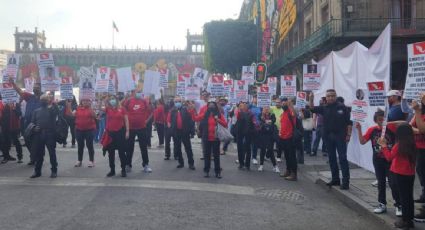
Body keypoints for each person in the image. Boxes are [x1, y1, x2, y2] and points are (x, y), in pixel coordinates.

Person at [355, 109, 400, 215]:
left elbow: (402, 124)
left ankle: (398, 205)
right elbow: (362, 142)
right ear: (375, 121)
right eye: (379, 120)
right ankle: (382, 204)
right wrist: (359, 129)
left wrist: (389, 123)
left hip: (390, 160)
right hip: (378, 159)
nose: (382, 122)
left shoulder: (391, 128)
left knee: (393, 183)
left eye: (383, 119)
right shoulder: (372, 130)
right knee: (381, 183)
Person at [309, 90, 352, 190]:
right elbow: (311, 108)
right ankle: (335, 179)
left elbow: (349, 122)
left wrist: (348, 134)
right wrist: (311, 98)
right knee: (332, 159)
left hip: (340, 136)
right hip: (328, 137)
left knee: (342, 159)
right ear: (326, 97)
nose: (331, 98)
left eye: (333, 96)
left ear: (336, 96)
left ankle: (345, 182)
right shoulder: (324, 107)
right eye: (328, 96)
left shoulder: (342, 107)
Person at [379, 123, 417, 229]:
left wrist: (384, 146)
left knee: (403, 198)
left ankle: (405, 221)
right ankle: (409, 219)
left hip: (400, 173)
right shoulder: (412, 143)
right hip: (410, 174)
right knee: (409, 197)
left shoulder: (399, 145)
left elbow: (389, 157)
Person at [192, 101, 227, 178]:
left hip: (216, 138)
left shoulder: (219, 115)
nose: (211, 107)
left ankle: (217, 172)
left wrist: (218, 120)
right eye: (210, 106)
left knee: (216, 156)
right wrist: (193, 110)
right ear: (207, 107)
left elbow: (225, 124)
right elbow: (195, 118)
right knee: (207, 156)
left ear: (215, 107)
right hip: (206, 138)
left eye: (213, 106)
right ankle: (206, 171)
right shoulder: (204, 115)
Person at [11, 80, 42, 165]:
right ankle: (34, 156)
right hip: (27, 125)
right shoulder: (30, 97)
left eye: (37, 87)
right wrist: (13, 83)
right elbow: (19, 91)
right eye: (35, 87)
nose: (35, 88)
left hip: (38, 125)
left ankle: (34, 158)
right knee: (27, 141)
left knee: (36, 143)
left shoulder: (43, 99)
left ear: (41, 89)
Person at [30, 94, 59, 178]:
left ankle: (54, 171)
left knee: (52, 153)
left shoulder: (52, 110)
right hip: (39, 135)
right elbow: (32, 123)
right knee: (39, 154)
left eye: (45, 100)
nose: (43, 101)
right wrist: (34, 128)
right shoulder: (36, 111)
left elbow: (57, 111)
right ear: (40, 101)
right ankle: (37, 171)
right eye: (42, 99)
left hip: (50, 134)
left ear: (48, 101)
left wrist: (53, 102)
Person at [123, 91, 152, 173]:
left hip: (142, 128)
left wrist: (147, 120)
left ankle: (146, 165)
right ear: (133, 93)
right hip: (131, 128)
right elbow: (123, 110)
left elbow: (150, 111)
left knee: (143, 147)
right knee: (129, 147)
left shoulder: (144, 101)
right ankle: (128, 164)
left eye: (140, 92)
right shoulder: (128, 101)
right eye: (137, 92)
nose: (138, 93)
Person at [103, 95, 129, 177]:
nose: (112, 100)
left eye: (113, 99)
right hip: (110, 134)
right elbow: (100, 107)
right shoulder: (108, 109)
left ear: (117, 100)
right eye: (110, 99)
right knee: (111, 153)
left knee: (122, 152)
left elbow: (126, 120)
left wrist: (127, 131)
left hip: (120, 133)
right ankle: (112, 170)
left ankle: (123, 169)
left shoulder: (122, 109)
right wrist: (104, 99)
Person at [167, 96, 195, 170]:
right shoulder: (172, 110)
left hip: (185, 132)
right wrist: (171, 131)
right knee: (178, 148)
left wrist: (192, 132)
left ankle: (191, 163)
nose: (177, 103)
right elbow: (169, 121)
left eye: (179, 101)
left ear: (181, 102)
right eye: (176, 102)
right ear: (174, 102)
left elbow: (191, 120)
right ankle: (181, 162)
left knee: (188, 148)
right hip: (176, 132)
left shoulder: (186, 109)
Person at [410, 94, 425, 221]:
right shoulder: (420, 111)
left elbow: (422, 129)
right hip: (419, 148)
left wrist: (417, 110)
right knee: (421, 173)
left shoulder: (419, 111)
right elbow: (410, 125)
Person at [73, 99, 96, 168]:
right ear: (81, 102)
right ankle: (79, 160)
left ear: (89, 102)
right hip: (79, 130)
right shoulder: (77, 108)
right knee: (80, 146)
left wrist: (91, 109)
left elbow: (95, 116)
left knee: (89, 145)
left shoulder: (91, 109)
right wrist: (68, 105)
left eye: (87, 101)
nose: (85, 102)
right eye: (84, 101)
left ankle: (91, 161)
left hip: (89, 130)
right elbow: (72, 114)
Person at [279, 97, 297, 181]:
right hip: (283, 138)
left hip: (290, 138)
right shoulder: (283, 113)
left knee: (292, 156)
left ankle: (294, 174)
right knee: (286, 156)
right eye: (282, 103)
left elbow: (295, 114)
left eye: (284, 103)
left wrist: (291, 105)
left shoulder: (290, 112)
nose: (283, 104)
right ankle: (288, 171)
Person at [257, 106, 280, 173]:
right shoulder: (260, 115)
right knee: (263, 150)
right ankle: (261, 165)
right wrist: (265, 121)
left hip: (270, 136)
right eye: (265, 109)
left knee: (270, 150)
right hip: (263, 135)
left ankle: (275, 166)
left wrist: (265, 121)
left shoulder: (272, 115)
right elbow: (260, 122)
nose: (266, 110)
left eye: (268, 109)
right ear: (263, 109)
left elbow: (273, 121)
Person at [235, 101, 256, 170]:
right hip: (240, 132)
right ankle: (241, 163)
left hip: (248, 132)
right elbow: (236, 118)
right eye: (241, 105)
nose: (243, 106)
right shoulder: (238, 112)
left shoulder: (251, 114)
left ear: (247, 106)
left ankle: (247, 165)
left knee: (248, 149)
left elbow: (254, 123)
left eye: (244, 105)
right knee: (240, 148)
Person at [270, 97, 284, 162]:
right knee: (271, 143)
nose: (277, 104)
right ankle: (268, 155)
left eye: (279, 102)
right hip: (273, 129)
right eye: (276, 102)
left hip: (281, 129)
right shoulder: (272, 108)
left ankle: (278, 156)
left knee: (279, 143)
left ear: (281, 103)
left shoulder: (283, 109)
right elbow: (265, 108)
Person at [249, 95, 261, 165]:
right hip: (249, 127)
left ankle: (254, 157)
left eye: (257, 98)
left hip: (257, 128)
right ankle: (242, 157)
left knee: (255, 144)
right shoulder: (250, 106)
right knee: (246, 143)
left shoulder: (261, 107)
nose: (256, 99)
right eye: (255, 98)